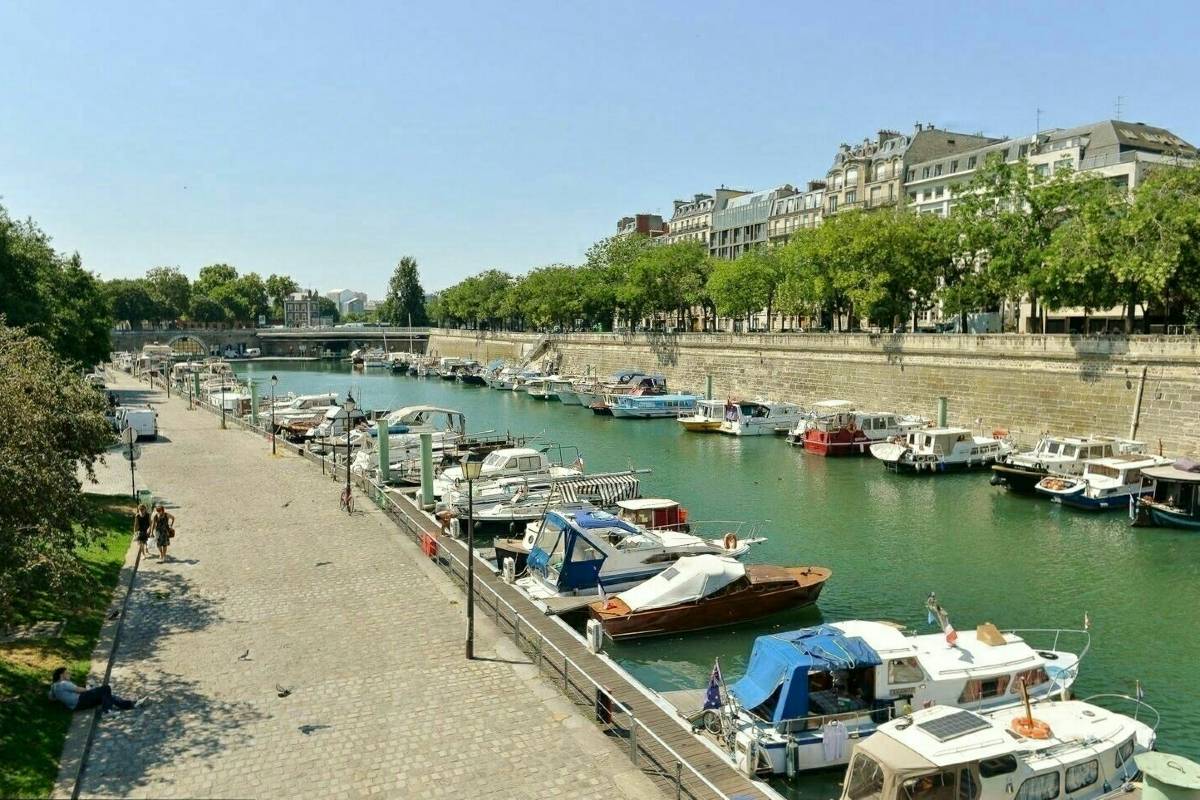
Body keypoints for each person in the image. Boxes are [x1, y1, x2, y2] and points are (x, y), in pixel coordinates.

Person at [49, 667, 137, 713]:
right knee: (106, 688)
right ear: (61, 675)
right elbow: (80, 690)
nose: (69, 674)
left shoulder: (54, 687)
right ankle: (107, 710)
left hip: (75, 706)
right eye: (67, 673)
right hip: (80, 700)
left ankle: (129, 704)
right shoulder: (63, 683)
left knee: (106, 696)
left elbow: (51, 698)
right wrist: (90, 689)